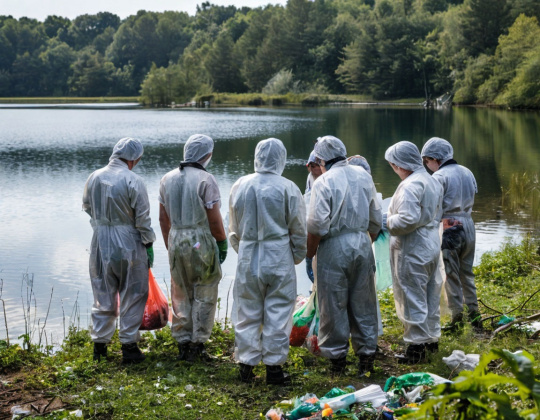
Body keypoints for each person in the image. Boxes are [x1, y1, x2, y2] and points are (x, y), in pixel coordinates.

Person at [229, 138, 306, 385]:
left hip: (249, 253)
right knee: (279, 311)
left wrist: (242, 251)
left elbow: (232, 227)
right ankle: (274, 369)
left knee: (247, 310)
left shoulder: (240, 185)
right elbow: (298, 228)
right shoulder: (288, 187)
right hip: (278, 253)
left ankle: (246, 366)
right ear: (281, 158)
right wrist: (295, 256)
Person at [306, 135, 382, 376]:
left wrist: (309, 255)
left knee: (333, 303)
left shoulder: (323, 181)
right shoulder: (364, 176)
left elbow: (317, 225)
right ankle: (366, 357)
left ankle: (337, 358)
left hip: (333, 245)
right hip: (361, 240)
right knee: (363, 300)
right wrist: (362, 242)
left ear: (320, 159)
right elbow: (376, 219)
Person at [83, 137, 156, 364]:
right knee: (133, 292)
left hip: (100, 240)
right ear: (134, 158)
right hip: (128, 241)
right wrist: (148, 243)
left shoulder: (94, 176)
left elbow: (86, 206)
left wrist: (104, 223)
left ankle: (100, 347)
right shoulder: (133, 180)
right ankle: (129, 347)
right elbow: (143, 219)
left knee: (102, 290)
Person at [159, 134, 227, 362]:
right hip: (200, 240)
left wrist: (170, 243)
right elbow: (215, 219)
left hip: (176, 238)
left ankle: (182, 342)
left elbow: (162, 218)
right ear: (206, 154)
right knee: (205, 290)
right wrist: (221, 241)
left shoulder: (167, 179)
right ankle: (198, 344)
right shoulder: (206, 180)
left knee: (180, 291)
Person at [384, 141, 443, 364]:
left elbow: (408, 219)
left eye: (392, 164)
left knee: (412, 295)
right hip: (430, 242)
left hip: (413, 246)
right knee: (430, 293)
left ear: (399, 164)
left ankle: (416, 349)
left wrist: (385, 220)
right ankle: (431, 340)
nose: (393, 168)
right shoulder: (430, 179)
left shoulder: (410, 185)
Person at [421, 137, 480, 331]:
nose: (427, 166)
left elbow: (434, 207)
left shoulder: (439, 176)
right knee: (467, 272)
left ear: (434, 158)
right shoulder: (467, 171)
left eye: (426, 161)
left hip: (449, 225)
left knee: (451, 274)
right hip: (469, 222)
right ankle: (474, 315)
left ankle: (457, 318)